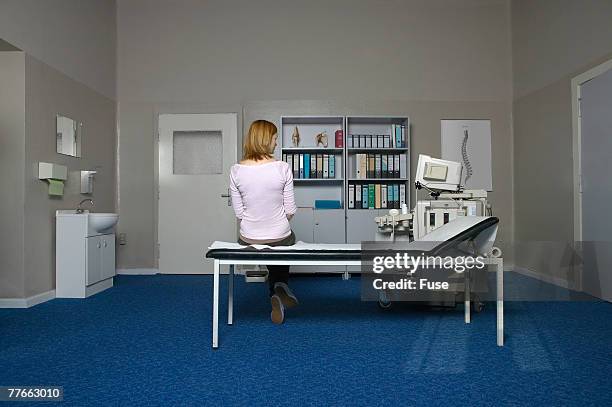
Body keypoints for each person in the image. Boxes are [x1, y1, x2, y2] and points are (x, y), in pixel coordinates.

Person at [229, 119, 298, 324]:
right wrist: (274, 221)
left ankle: (275, 290)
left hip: (249, 236)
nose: (277, 143)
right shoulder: (282, 167)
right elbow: (291, 210)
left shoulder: (236, 170)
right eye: (275, 138)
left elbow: (239, 213)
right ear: (267, 140)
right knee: (283, 240)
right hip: (280, 235)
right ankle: (279, 286)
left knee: (263, 242)